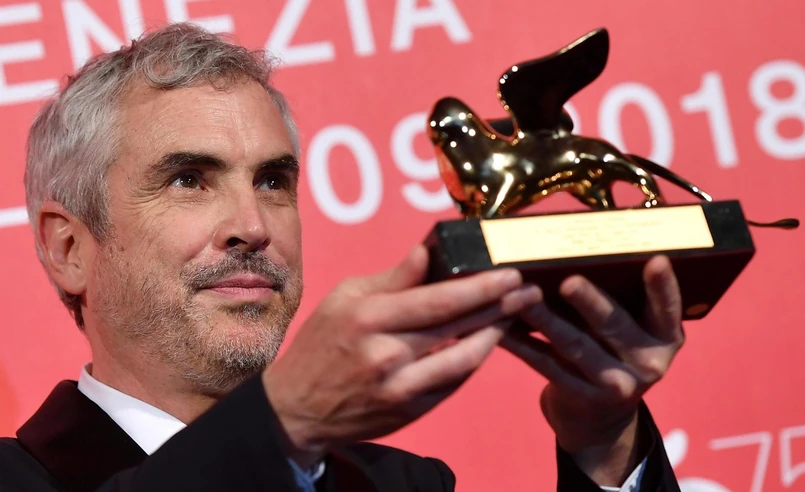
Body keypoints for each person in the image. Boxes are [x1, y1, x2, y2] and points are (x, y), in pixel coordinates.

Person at [0, 23, 683, 491]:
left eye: (273, 182)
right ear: (68, 248)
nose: (252, 226)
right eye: (188, 180)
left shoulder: (404, 484)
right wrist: (283, 422)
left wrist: (605, 444)